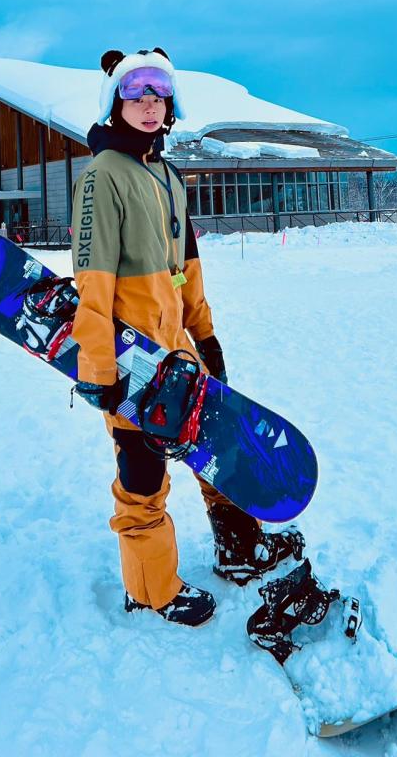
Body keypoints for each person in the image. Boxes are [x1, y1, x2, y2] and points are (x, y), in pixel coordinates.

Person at [69, 48, 302, 628]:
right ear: (116, 103)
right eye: (136, 95)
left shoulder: (168, 175)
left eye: (158, 96)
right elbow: (91, 284)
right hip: (132, 359)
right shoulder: (103, 177)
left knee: (215, 447)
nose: (149, 106)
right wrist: (98, 367)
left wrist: (206, 336)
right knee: (143, 474)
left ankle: (238, 549)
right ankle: (150, 590)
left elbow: (188, 268)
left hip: (179, 349)